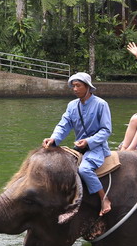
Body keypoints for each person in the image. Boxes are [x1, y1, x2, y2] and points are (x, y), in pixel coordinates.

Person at [43, 72, 113, 216]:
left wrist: (89, 141)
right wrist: (53, 139)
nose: (75, 89)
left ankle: (104, 198)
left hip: (96, 147)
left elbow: (106, 130)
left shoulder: (101, 104)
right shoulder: (72, 105)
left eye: (78, 86)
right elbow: (64, 124)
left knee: (84, 170)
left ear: (88, 87)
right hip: (79, 147)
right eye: (73, 86)